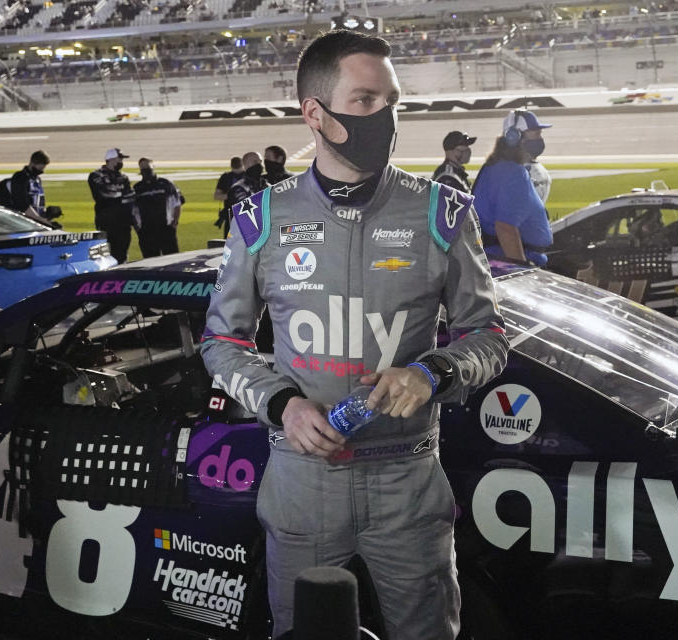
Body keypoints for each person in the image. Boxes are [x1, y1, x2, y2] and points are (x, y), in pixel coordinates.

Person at [200, 30, 508, 640]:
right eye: (365, 101)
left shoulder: (442, 211)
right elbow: (221, 343)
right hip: (302, 481)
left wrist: (432, 373)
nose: (385, 118)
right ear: (315, 113)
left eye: (391, 101)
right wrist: (282, 405)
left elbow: (490, 338)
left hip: (408, 479)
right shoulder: (260, 217)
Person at [472, 109, 553, 266]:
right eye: (536, 135)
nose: (540, 140)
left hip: (496, 258)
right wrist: (520, 269)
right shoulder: (513, 173)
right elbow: (505, 228)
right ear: (515, 137)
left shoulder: (497, 167)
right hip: (505, 261)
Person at [88, 148, 135, 263]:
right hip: (105, 221)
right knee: (103, 255)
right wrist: (121, 195)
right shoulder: (96, 175)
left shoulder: (123, 177)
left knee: (122, 255)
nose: (121, 162)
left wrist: (119, 195)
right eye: (119, 159)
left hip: (123, 222)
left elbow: (130, 196)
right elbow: (105, 194)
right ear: (111, 159)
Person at [132, 157, 184, 258]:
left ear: (153, 167)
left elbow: (177, 203)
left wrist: (175, 222)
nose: (146, 170)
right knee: (150, 262)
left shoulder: (166, 184)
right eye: (143, 168)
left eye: (148, 167)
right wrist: (138, 229)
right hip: (146, 231)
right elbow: (133, 211)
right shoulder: (137, 188)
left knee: (171, 260)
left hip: (166, 229)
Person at [225, 151, 269, 221]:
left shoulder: (266, 185)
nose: (260, 165)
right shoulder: (238, 188)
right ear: (246, 165)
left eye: (260, 162)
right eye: (255, 162)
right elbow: (246, 214)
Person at [8, 150, 50, 219]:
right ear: (32, 163)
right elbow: (22, 204)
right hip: (24, 220)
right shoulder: (20, 177)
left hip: (35, 219)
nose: (42, 171)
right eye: (40, 168)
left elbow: (37, 201)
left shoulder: (37, 179)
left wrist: (47, 215)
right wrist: (40, 220)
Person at [214, 156, 244, 238]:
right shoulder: (226, 177)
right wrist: (231, 196)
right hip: (232, 215)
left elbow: (217, 195)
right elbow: (217, 195)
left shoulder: (227, 177)